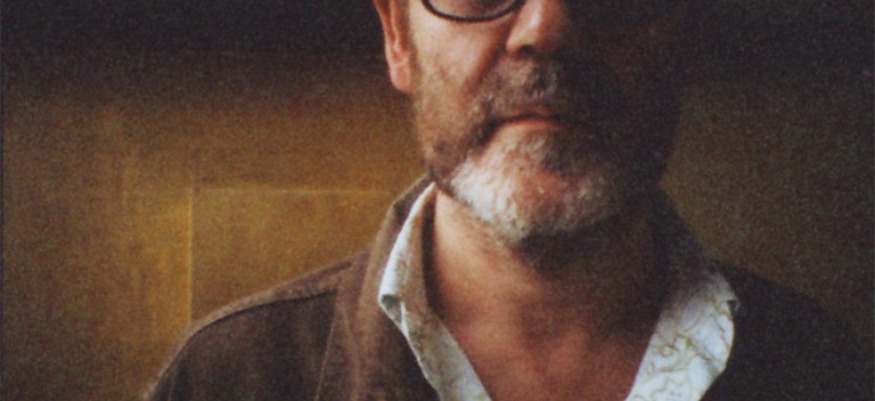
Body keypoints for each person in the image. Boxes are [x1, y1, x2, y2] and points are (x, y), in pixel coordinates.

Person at [146, 0, 871, 400]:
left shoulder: (824, 373)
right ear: (397, 36)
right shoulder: (227, 380)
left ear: (689, 39)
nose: (547, 28)